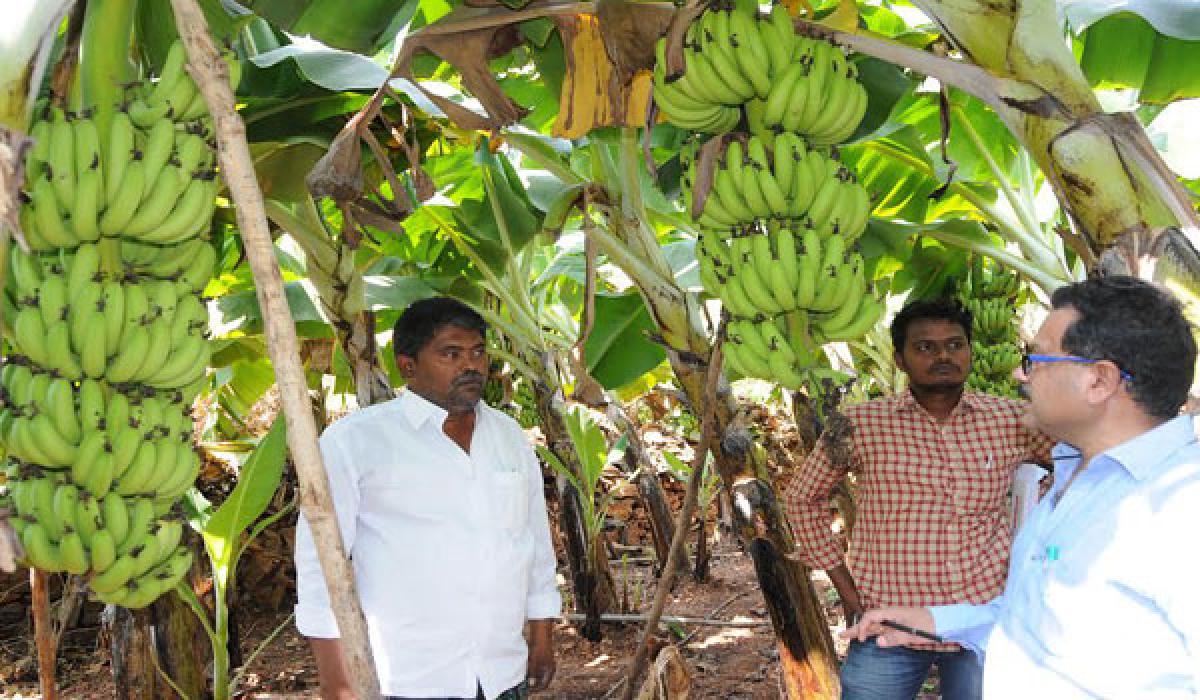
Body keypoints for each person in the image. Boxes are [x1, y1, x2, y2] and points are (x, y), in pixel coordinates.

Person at [846, 276, 1200, 698]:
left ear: (1099, 382)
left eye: (1037, 360)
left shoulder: (1179, 506)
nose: (1020, 374)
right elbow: (1033, 618)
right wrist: (936, 621)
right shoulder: (1076, 479)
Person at [783, 297, 1053, 699]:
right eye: (925, 347)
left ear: (970, 352)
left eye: (955, 344)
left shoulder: (1012, 419)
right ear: (900, 359)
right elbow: (802, 498)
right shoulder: (862, 424)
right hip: (888, 618)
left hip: (981, 619)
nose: (943, 355)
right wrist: (844, 585)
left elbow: (1079, 465)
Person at [294, 297, 561, 700]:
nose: (470, 366)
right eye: (450, 354)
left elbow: (534, 543)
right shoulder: (356, 442)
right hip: (408, 675)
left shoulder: (508, 436)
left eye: (477, 352)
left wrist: (542, 636)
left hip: (500, 670)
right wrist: (337, 680)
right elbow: (319, 565)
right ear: (408, 366)